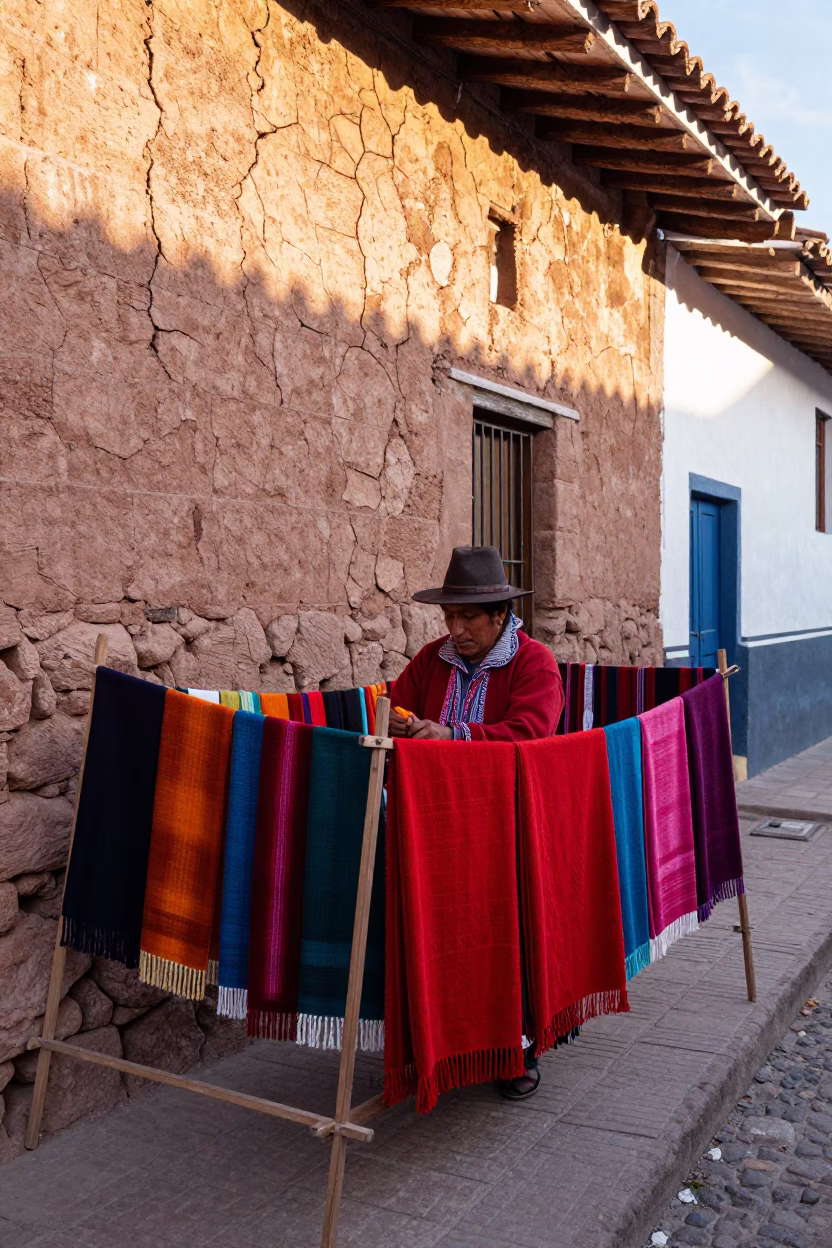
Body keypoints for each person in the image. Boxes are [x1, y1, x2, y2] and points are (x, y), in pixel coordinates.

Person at [390, 545, 565, 1099]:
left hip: (505, 827)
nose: (456, 629)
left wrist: (454, 735)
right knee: (442, 937)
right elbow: (397, 708)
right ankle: (439, 1044)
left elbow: (531, 733)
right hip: (437, 828)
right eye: (449, 617)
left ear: (500, 616)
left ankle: (516, 1052)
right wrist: (402, 724)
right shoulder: (429, 660)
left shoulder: (534, 663)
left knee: (504, 939)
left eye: (467, 618)